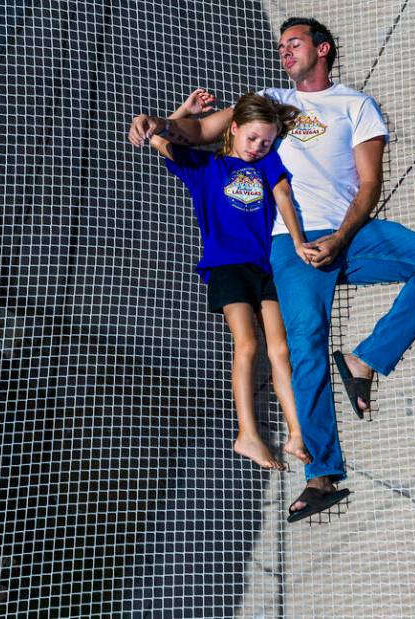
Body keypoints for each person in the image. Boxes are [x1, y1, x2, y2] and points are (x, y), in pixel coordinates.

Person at [128, 18, 415, 522]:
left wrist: (342, 237)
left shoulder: (356, 106)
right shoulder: (267, 101)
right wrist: (158, 123)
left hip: (347, 234)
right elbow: (198, 132)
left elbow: (369, 184)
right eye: (281, 45)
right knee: (303, 342)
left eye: (295, 43)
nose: (284, 51)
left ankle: (365, 360)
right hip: (290, 244)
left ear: (322, 49)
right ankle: (322, 475)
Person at [129, 91, 321, 488]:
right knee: (247, 344)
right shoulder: (204, 166)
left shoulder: (267, 162)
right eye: (252, 139)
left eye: (266, 141)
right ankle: (248, 434)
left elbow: (283, 196)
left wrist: (299, 241)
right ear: (232, 130)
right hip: (226, 266)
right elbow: (161, 136)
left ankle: (296, 430)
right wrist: (182, 113)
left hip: (264, 265)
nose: (258, 148)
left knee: (280, 347)